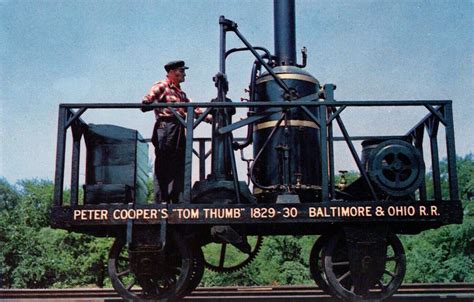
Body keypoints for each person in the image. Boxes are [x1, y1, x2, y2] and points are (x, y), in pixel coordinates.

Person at [142, 60, 207, 202]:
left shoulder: (181, 94)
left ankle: (175, 200)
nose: (184, 74)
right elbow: (146, 101)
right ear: (171, 72)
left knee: (178, 164)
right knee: (164, 164)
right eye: (181, 71)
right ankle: (161, 201)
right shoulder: (162, 86)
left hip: (178, 129)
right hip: (165, 128)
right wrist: (149, 103)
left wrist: (210, 117)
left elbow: (194, 109)